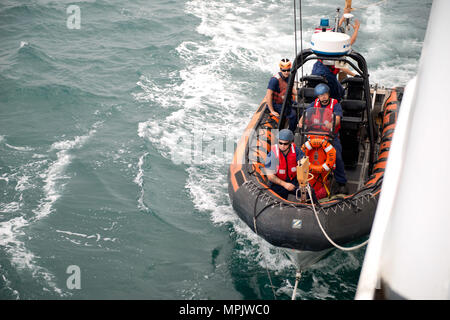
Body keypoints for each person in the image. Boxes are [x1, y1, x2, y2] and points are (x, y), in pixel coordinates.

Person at [298, 83, 348, 194]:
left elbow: (338, 118)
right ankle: (301, 178)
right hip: (314, 135)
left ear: (328, 94)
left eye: (325, 94)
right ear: (318, 97)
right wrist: (301, 122)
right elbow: (305, 114)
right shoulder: (314, 104)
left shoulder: (335, 105)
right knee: (302, 155)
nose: (323, 97)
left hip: (330, 136)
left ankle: (341, 182)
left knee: (338, 157)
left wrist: (332, 124)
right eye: (320, 95)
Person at [264, 129, 304, 200]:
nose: (282, 146)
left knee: (309, 193)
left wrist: (302, 182)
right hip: (278, 183)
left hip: (294, 181)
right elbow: (270, 176)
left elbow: (302, 163)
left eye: (285, 144)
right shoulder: (272, 154)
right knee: (275, 201)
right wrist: (284, 184)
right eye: (280, 143)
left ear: (290, 143)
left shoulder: (296, 151)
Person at [264, 58, 298, 132]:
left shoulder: (289, 77)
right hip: (277, 103)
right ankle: (290, 133)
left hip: (286, 101)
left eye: (288, 70)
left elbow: (291, 89)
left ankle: (294, 127)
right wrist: (272, 110)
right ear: (280, 69)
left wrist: (300, 93)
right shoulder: (274, 80)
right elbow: (268, 95)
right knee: (292, 115)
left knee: (299, 108)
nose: (286, 72)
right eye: (284, 70)